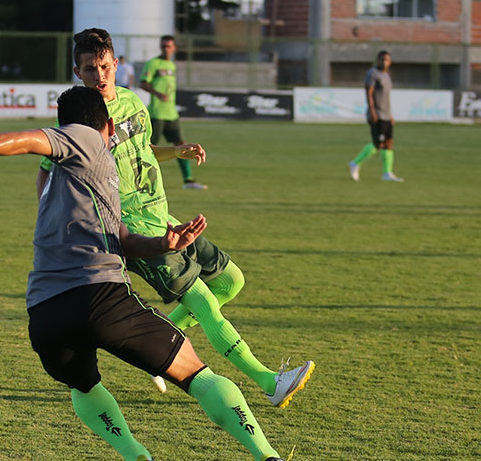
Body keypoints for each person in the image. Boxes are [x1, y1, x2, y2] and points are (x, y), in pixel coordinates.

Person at [0, 85, 311, 461]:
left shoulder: (75, 178)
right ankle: (268, 457)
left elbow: (119, 236)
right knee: (196, 374)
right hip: (100, 299)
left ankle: (137, 457)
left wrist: (164, 244)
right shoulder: (87, 141)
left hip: (46, 316)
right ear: (107, 125)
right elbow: (32, 139)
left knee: (82, 384)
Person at [38, 28, 315, 407]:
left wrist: (177, 152)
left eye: (104, 66)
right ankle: (270, 382)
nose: (99, 75)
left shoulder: (134, 103)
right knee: (204, 303)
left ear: (116, 65)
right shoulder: (80, 123)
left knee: (231, 282)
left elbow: (144, 148)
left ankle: (160, 351)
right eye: (90, 69)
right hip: (136, 231)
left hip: (164, 215)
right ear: (77, 72)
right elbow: (46, 168)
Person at [139, 35, 205, 189]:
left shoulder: (172, 65)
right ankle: (141, 181)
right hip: (156, 114)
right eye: (163, 46)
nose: (165, 49)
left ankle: (188, 180)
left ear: (174, 48)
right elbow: (143, 83)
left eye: (168, 46)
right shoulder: (153, 63)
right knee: (148, 149)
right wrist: (157, 94)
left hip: (171, 114)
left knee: (182, 146)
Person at [348, 50, 403, 182]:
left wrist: (390, 115)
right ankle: (355, 163)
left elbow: (385, 97)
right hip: (377, 114)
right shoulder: (373, 74)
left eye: (387, 60)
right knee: (377, 144)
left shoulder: (387, 75)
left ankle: (387, 173)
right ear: (378, 60)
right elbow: (369, 93)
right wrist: (372, 111)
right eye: (382, 59)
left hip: (386, 115)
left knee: (389, 143)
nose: (385, 62)